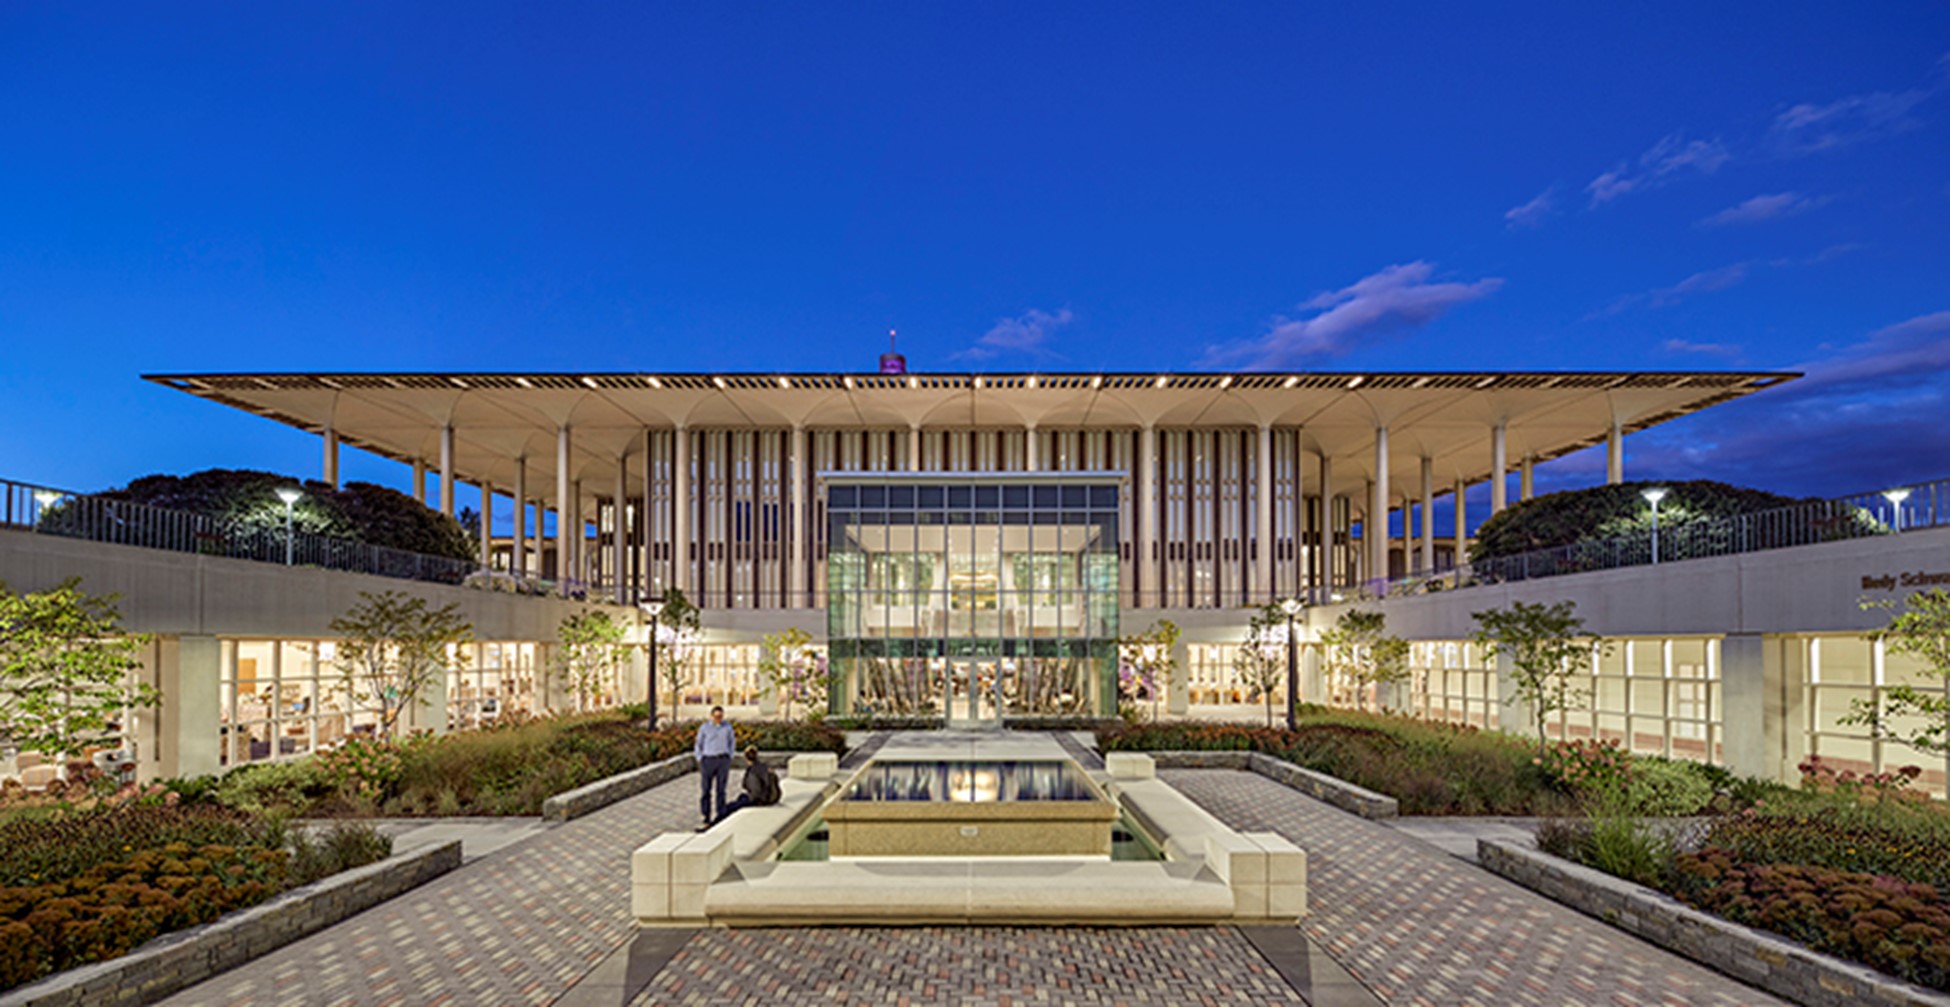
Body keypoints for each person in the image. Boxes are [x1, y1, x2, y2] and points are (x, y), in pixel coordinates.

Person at [693, 705, 736, 829]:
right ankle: (706, 815)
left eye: (721, 716)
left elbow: (732, 742)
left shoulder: (727, 727)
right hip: (708, 759)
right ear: (712, 716)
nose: (719, 719)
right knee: (706, 789)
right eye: (716, 716)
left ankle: (721, 814)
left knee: (721, 790)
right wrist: (700, 758)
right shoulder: (705, 728)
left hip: (723, 760)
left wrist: (729, 756)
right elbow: (698, 744)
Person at [718, 746, 782, 819]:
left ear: (746, 758)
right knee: (741, 796)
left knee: (729, 807)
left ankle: (713, 823)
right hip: (768, 797)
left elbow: (755, 791)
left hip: (759, 800)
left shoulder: (753, 771)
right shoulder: (764, 767)